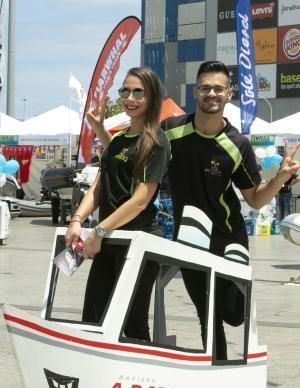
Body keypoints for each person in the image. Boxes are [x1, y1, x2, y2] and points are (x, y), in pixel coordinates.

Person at [161, 61, 300, 360]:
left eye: (218, 88)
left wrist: (280, 178)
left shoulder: (237, 144)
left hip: (229, 238)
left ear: (229, 94)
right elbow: (141, 160)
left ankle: (226, 329)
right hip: (189, 238)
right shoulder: (171, 131)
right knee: (206, 313)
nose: (212, 93)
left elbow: (255, 200)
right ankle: (217, 373)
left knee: (234, 314)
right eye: (206, 87)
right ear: (196, 91)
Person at [65, 67, 170, 341]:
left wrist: (99, 231)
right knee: (93, 320)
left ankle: (143, 381)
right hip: (108, 240)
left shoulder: (157, 141)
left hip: (137, 241)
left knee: (133, 323)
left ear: (152, 97)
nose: (130, 98)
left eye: (138, 92)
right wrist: (77, 220)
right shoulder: (119, 139)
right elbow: (99, 186)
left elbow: (140, 200)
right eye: (125, 90)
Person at [278, 142, 300, 220]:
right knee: (281, 211)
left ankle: (289, 225)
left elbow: (298, 178)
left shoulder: (292, 172)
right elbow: (289, 157)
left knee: (288, 210)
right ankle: (281, 226)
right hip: (280, 193)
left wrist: (290, 185)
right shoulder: (285, 169)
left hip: (287, 193)